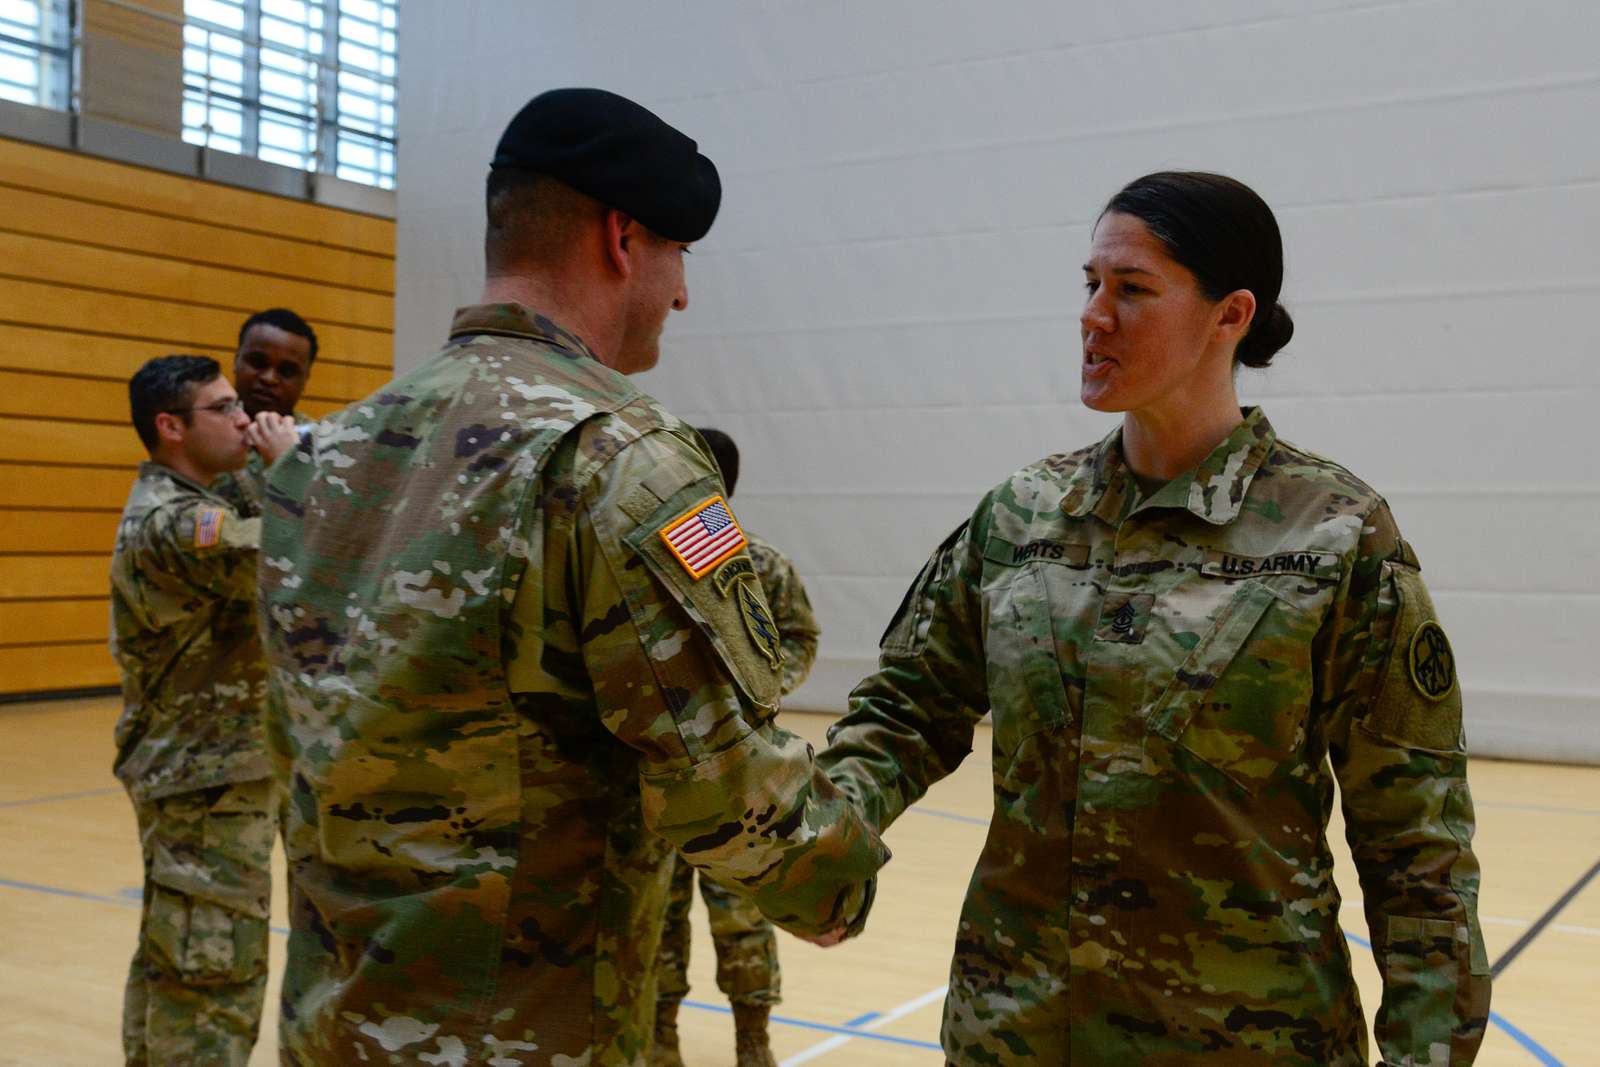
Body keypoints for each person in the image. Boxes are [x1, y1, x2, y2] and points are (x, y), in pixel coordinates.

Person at [258, 87, 888, 1066]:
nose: (681, 294)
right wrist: (836, 874)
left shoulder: (319, 457)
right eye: (679, 258)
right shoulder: (620, 460)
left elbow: (293, 754)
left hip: (334, 1029)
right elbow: (724, 788)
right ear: (621, 238)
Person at [818, 172, 1491, 1066]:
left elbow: (1418, 848)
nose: (1095, 315)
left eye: (1132, 289)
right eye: (1090, 285)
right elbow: (905, 710)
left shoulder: (1334, 533)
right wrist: (816, 845)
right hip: (1016, 1034)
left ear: (1231, 314)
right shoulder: (1021, 517)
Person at [110, 355, 297, 1066]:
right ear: (171, 426)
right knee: (211, 978)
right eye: (225, 409)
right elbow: (286, 546)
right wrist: (291, 469)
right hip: (201, 785)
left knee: (177, 963)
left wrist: (262, 458)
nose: (245, 417)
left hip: (212, 778)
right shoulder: (171, 525)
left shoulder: (206, 499)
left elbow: (252, 513)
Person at [653, 427, 821, 1067]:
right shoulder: (648, 559)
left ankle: (754, 1040)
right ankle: (660, 1035)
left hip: (741, 774)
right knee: (660, 914)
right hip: (664, 771)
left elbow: (801, 634)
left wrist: (758, 690)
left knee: (743, 912)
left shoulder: (759, 563)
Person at [216, 308, 318, 515]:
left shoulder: (323, 445)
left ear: (305, 379)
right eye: (258, 363)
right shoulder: (201, 431)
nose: (269, 378)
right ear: (237, 361)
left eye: (287, 371)